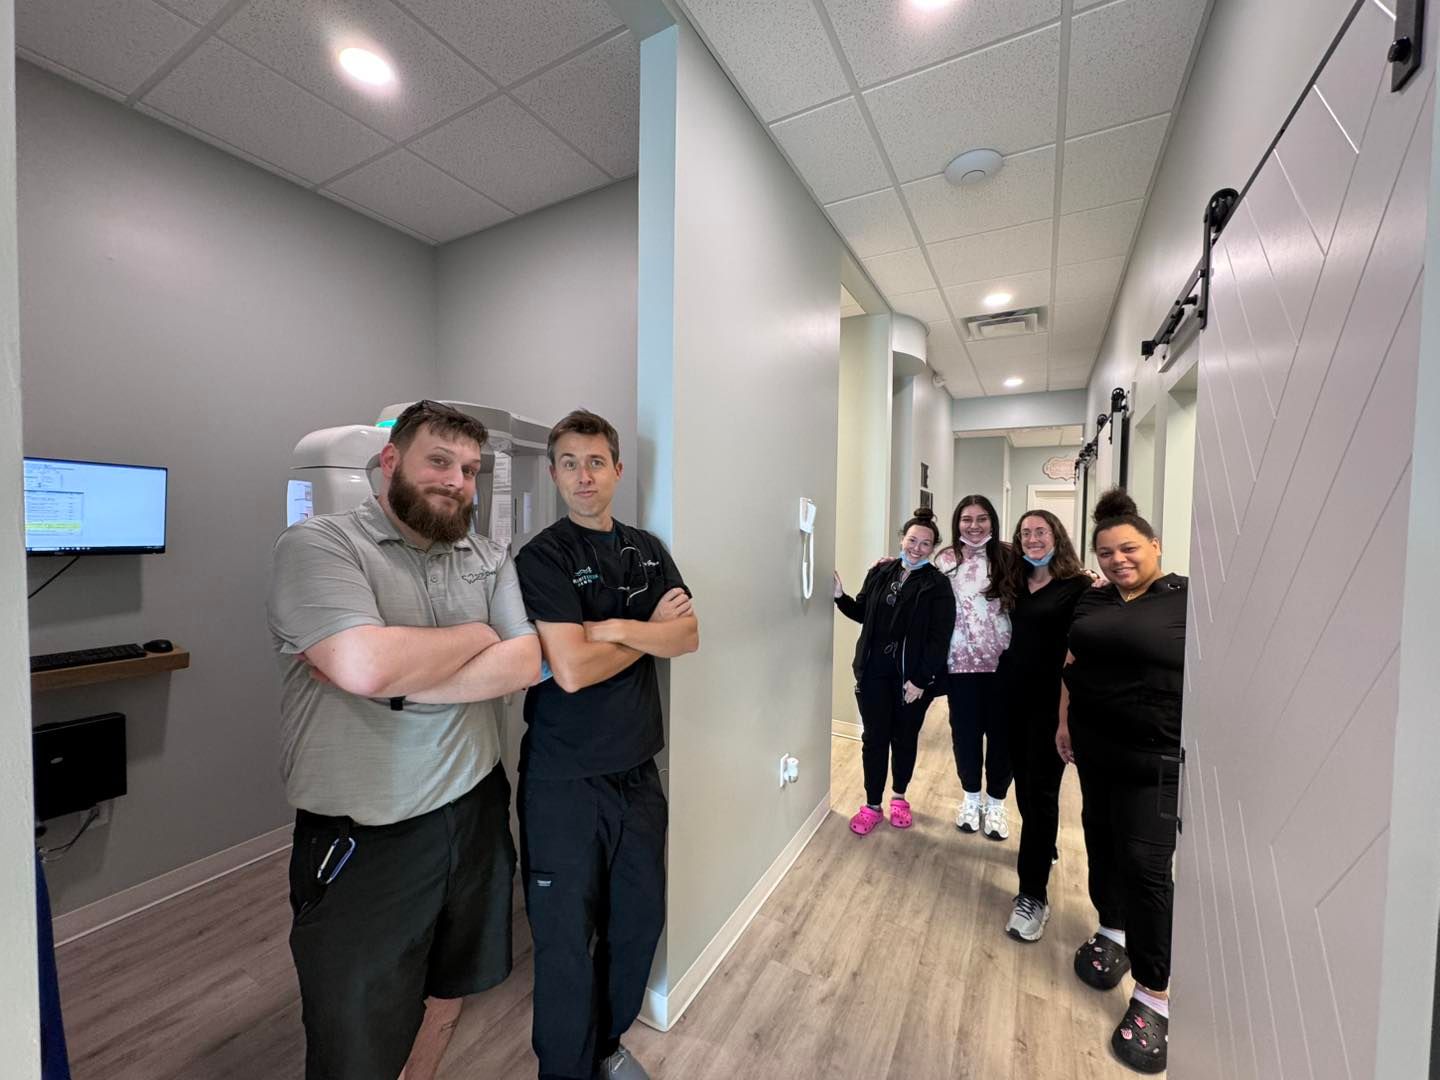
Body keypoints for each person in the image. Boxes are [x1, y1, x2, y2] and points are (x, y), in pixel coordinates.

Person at [267, 400, 542, 1080]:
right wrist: (478, 635)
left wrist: (398, 681)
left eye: (470, 470)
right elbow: (365, 664)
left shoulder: (488, 555)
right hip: (366, 838)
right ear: (390, 461)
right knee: (355, 1039)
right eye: (439, 461)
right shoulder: (320, 545)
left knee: (449, 991)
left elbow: (525, 662)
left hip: (476, 812)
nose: (457, 481)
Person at [513, 409, 699, 1080]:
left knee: (637, 924)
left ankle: (606, 1045)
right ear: (554, 473)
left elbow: (687, 636)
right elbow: (569, 669)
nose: (583, 475)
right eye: (569, 463)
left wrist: (610, 629)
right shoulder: (543, 557)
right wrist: (644, 628)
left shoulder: (646, 548)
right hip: (563, 782)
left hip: (639, 774)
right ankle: (565, 1069)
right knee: (565, 940)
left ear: (617, 469)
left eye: (596, 462)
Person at [1059, 489, 1187, 1075]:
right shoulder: (1093, 599)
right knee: (1101, 844)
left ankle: (1154, 992)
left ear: (1154, 545)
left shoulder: (1185, 600)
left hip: (1153, 761)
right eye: (1107, 552)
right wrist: (1064, 723)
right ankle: (1111, 928)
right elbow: (1072, 667)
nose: (1118, 560)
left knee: (1146, 867)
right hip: (1095, 750)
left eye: (1129, 548)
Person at [998, 509, 1094, 943]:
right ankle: (1043, 845)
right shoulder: (1017, 580)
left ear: (1057, 536)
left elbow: (1077, 655)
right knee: (1024, 790)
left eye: (1041, 531)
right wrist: (895, 560)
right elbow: (966, 557)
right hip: (1013, 703)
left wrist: (1064, 720)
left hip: (1050, 709)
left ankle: (1032, 896)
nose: (1033, 539)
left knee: (1040, 797)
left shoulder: (1079, 587)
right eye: (1025, 533)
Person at [832, 507, 955, 835]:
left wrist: (920, 680)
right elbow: (863, 613)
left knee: (904, 738)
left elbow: (939, 638)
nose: (917, 548)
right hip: (873, 672)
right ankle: (872, 805)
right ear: (902, 539)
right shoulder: (880, 572)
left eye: (925, 543)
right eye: (912, 540)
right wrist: (840, 597)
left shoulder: (938, 585)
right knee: (874, 739)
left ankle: (899, 797)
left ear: (933, 548)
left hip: (910, 680)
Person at [932, 494, 1015, 839]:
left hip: (1004, 666)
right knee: (965, 736)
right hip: (960, 665)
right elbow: (924, 591)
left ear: (992, 521)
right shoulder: (945, 559)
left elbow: (1047, 582)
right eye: (967, 519)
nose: (974, 526)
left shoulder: (1010, 556)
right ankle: (970, 798)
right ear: (958, 523)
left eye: (982, 518)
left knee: (1002, 738)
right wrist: (894, 564)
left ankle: (996, 803)